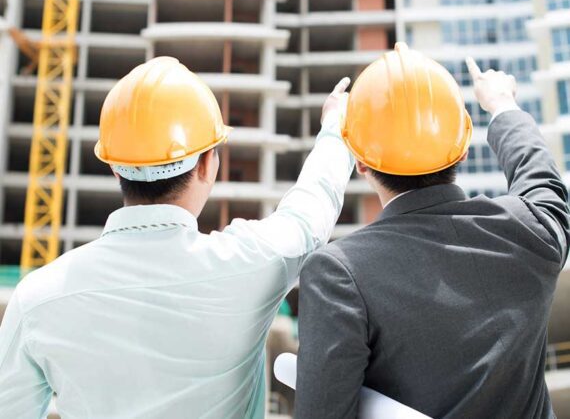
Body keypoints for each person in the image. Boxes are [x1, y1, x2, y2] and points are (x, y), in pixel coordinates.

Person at [0, 57, 354, 418]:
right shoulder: (252, 263)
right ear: (207, 164)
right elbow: (310, 214)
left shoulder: (37, 299)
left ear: (114, 167)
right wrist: (334, 129)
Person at [295, 43, 569, 419]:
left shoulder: (339, 274)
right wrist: (502, 106)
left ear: (360, 161)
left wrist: (333, 133)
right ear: (462, 150)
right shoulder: (529, 231)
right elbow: (544, 184)